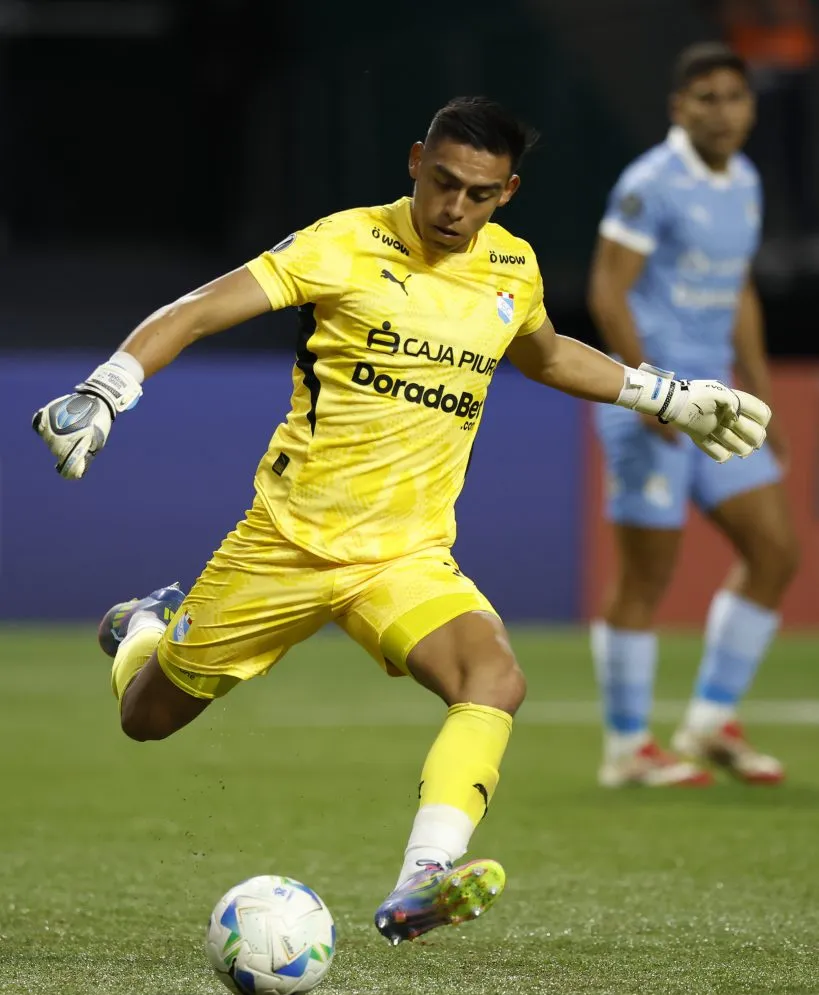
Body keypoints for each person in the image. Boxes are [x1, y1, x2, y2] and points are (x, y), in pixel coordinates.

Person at [34, 97, 768, 949]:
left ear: (507, 193)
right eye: (442, 182)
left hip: (405, 555)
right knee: (148, 718)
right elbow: (199, 308)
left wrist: (666, 395)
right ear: (416, 161)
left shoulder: (511, 267)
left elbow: (547, 354)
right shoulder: (342, 242)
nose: (455, 208)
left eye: (479, 194)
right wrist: (109, 387)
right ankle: (141, 628)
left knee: (493, 679)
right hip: (288, 544)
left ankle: (422, 878)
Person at [588, 45, 798, 788]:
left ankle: (710, 720)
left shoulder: (744, 181)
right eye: (705, 98)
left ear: (750, 107)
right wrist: (648, 387)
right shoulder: (650, 183)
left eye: (733, 97)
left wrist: (761, 390)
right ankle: (626, 748)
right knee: (646, 578)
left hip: (721, 405)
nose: (722, 112)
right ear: (679, 107)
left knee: (775, 551)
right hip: (657, 402)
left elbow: (738, 291)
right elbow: (608, 290)